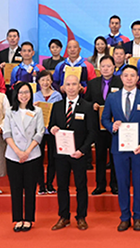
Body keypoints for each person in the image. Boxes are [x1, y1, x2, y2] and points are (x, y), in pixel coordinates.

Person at [102, 65, 140, 232]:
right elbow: (104, 120)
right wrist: (113, 126)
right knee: (122, 183)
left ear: (137, 78)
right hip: (119, 148)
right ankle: (125, 217)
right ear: (122, 78)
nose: (129, 78)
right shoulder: (112, 97)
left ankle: (138, 216)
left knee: (139, 183)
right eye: (126, 75)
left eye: (132, 75)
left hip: (139, 149)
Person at [48, 75, 97, 231]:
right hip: (61, 154)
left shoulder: (87, 106)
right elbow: (51, 126)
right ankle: (64, 216)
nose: (70, 87)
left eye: (74, 84)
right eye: (67, 84)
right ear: (63, 87)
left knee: (81, 186)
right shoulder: (56, 106)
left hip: (79, 154)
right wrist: (52, 129)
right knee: (62, 186)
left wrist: (82, 151)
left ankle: (81, 217)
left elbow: (92, 132)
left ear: (79, 87)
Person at [2, 82, 45, 232]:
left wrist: (27, 152)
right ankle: (18, 218)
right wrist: (18, 152)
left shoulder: (37, 111)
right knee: (16, 188)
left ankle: (28, 219)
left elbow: (39, 133)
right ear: (16, 95)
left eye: (27, 92)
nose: (24, 95)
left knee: (30, 188)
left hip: (32, 155)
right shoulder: (9, 111)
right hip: (13, 155)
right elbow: (6, 132)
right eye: (21, 92)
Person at [83, 56, 123, 196]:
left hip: (115, 126)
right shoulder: (93, 83)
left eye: (109, 66)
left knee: (115, 157)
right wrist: (91, 105)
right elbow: (85, 101)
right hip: (98, 126)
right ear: (99, 68)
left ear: (114, 68)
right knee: (100, 157)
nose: (106, 69)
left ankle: (115, 184)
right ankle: (100, 185)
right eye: (103, 66)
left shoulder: (120, 82)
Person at [34, 70, 63, 195]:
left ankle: (50, 184)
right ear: (38, 81)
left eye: (47, 79)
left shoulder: (57, 96)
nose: (45, 82)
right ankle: (41, 185)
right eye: (42, 80)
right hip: (39, 131)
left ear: (51, 81)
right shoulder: (34, 96)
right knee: (38, 159)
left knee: (52, 159)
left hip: (53, 131)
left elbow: (60, 113)